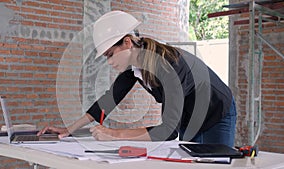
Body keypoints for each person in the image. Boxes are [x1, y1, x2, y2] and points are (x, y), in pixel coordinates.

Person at [38, 10, 237, 147]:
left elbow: (168, 132)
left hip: (216, 112)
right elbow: (108, 102)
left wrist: (115, 134)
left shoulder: (168, 66)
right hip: (187, 116)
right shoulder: (133, 67)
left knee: (213, 164)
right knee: (191, 163)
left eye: (110, 54)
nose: (109, 62)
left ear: (127, 42)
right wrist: (68, 130)